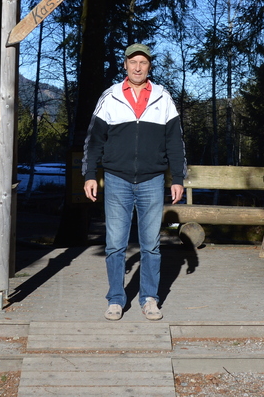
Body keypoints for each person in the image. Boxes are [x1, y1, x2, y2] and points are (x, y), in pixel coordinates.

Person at [82, 43, 187, 321]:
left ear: (149, 66)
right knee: (115, 244)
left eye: (143, 62)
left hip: (152, 180)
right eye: (133, 62)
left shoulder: (163, 98)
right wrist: (90, 174)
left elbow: (175, 143)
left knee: (151, 245)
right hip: (117, 179)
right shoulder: (111, 97)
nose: (138, 67)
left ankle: (149, 298)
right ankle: (116, 299)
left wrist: (178, 178)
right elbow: (94, 141)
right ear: (125, 65)